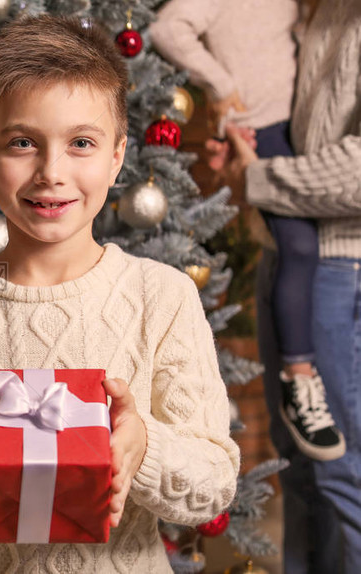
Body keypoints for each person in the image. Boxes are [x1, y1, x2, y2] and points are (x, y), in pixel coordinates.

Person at [0, 15, 240, 573]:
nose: (51, 172)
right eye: (22, 143)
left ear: (116, 157)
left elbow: (212, 487)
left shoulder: (163, 297)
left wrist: (144, 448)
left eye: (81, 142)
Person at [151, 0, 345, 462]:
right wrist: (220, 85)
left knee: (300, 245)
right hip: (257, 126)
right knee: (298, 246)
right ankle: (299, 378)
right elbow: (166, 29)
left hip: (296, 127)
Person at [222, 0, 361, 570]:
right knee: (297, 469)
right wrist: (248, 149)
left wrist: (256, 176)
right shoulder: (321, 10)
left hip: (339, 269)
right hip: (289, 258)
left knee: (342, 474)